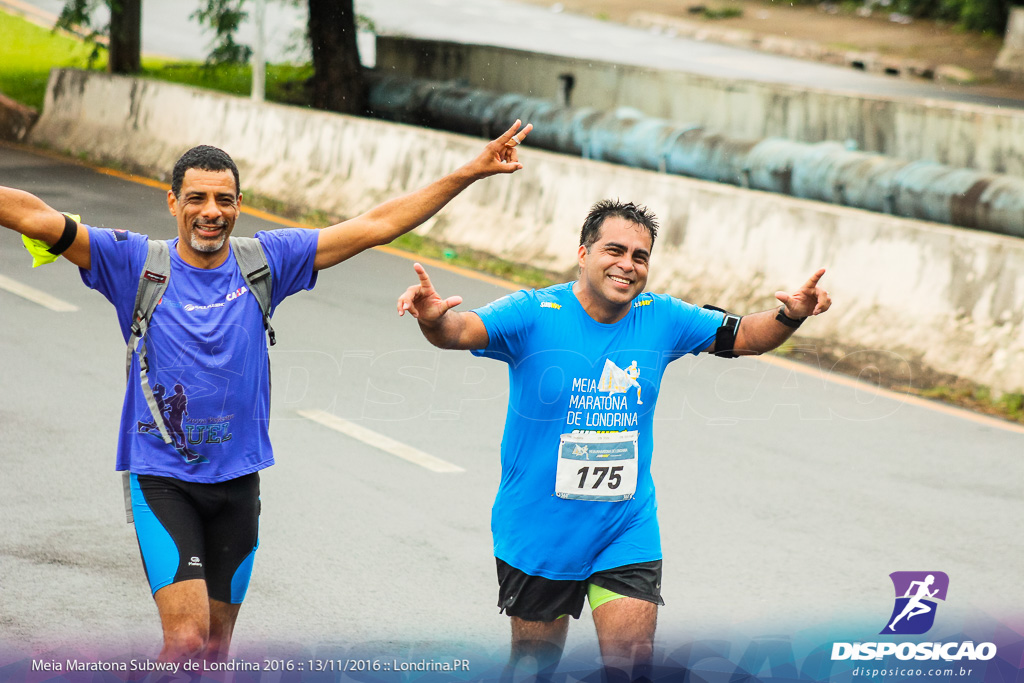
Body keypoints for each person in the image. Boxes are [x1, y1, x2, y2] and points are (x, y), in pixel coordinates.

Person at [0, 119, 531, 663]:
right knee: (184, 644)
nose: (211, 211)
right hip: (163, 478)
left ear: (238, 204)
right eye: (197, 198)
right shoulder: (133, 261)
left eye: (224, 200)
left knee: (213, 650)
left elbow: (376, 225)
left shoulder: (266, 262)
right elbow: (35, 216)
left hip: (238, 481)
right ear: (173, 202)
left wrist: (471, 170)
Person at [396, 199, 831, 681]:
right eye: (615, 250)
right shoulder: (532, 312)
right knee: (533, 667)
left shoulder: (662, 316)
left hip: (624, 527)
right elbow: (459, 330)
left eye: (640, 256)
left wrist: (791, 316)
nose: (627, 264)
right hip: (539, 529)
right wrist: (433, 318)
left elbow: (746, 334)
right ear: (583, 254)